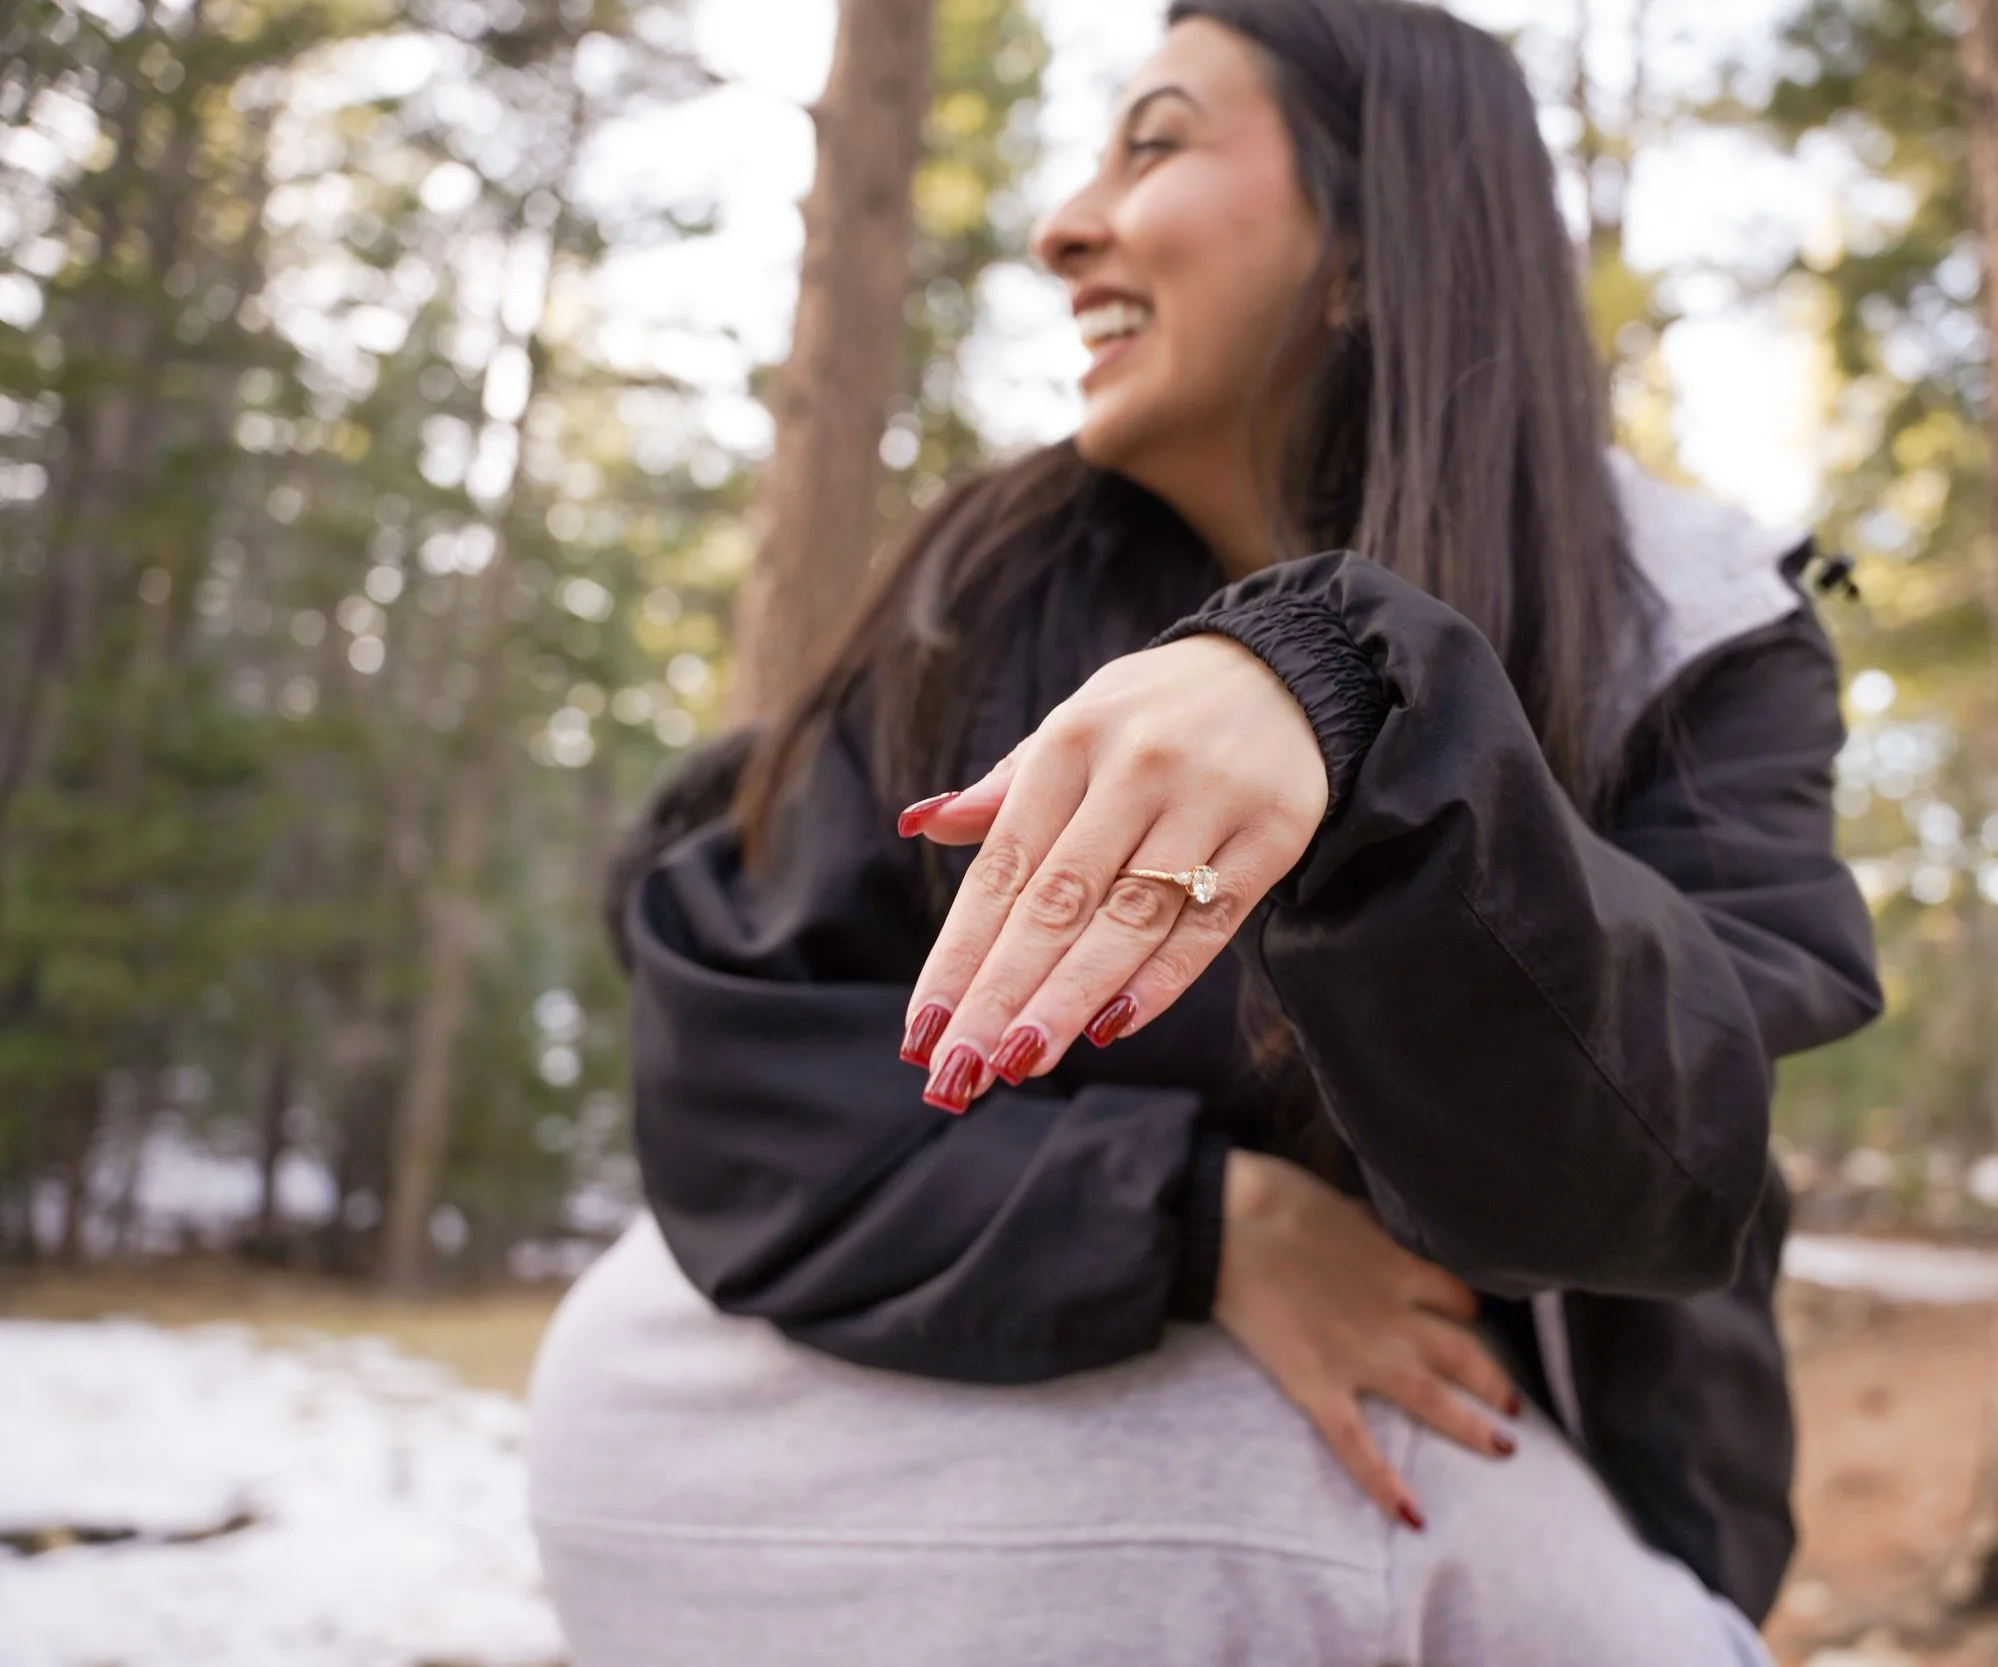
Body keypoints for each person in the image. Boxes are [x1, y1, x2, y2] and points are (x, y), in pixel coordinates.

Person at [526, 1, 1882, 1661]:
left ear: (1378, 235)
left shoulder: (1696, 638)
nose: (1061, 226)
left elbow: (1651, 1171)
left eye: (1155, 143)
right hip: (950, 1477)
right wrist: (1195, 1220)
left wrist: (1355, 703)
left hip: (1519, 1524)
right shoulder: (994, 582)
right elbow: (748, 1076)